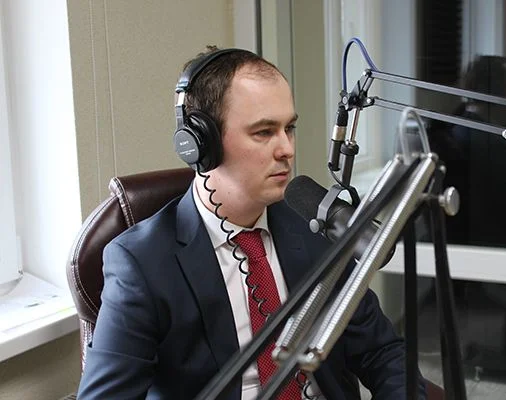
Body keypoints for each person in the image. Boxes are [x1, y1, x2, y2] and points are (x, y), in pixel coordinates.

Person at [77, 46, 426, 399]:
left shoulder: (315, 225)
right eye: (263, 132)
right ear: (201, 143)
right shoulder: (142, 265)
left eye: (289, 128)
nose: (286, 149)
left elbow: (384, 353)